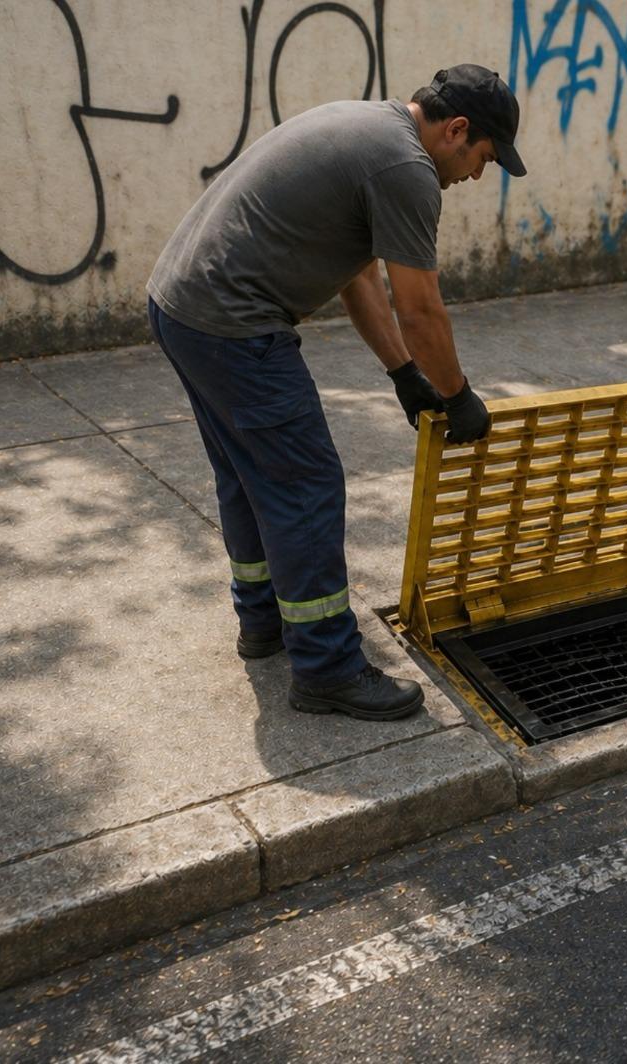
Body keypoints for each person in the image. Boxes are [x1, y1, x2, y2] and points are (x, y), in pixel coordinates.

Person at [146, 65, 526, 720]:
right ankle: (326, 666)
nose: (476, 175)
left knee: (250, 474)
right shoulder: (407, 169)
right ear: (458, 130)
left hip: (182, 305)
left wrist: (403, 373)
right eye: (484, 158)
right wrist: (457, 394)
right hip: (235, 321)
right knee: (305, 486)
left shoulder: (371, 126)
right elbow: (420, 308)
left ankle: (263, 622)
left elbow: (358, 275)